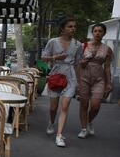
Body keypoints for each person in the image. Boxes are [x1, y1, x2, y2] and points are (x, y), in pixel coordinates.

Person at [42, 17, 82, 148]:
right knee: (53, 108)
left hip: (70, 76)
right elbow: (43, 58)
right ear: (62, 28)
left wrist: (79, 83)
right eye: (70, 26)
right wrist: (55, 57)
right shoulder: (52, 42)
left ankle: (59, 135)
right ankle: (51, 122)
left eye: (74, 26)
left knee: (65, 106)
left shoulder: (78, 44)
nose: (73, 29)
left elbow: (77, 64)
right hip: (56, 74)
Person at [77, 23, 113, 138]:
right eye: (95, 31)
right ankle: (83, 129)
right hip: (84, 77)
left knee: (96, 105)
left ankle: (89, 121)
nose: (97, 33)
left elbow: (107, 67)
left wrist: (109, 83)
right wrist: (81, 65)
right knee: (84, 104)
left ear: (104, 33)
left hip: (99, 79)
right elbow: (77, 64)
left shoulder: (107, 49)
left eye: (100, 31)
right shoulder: (83, 46)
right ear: (92, 33)